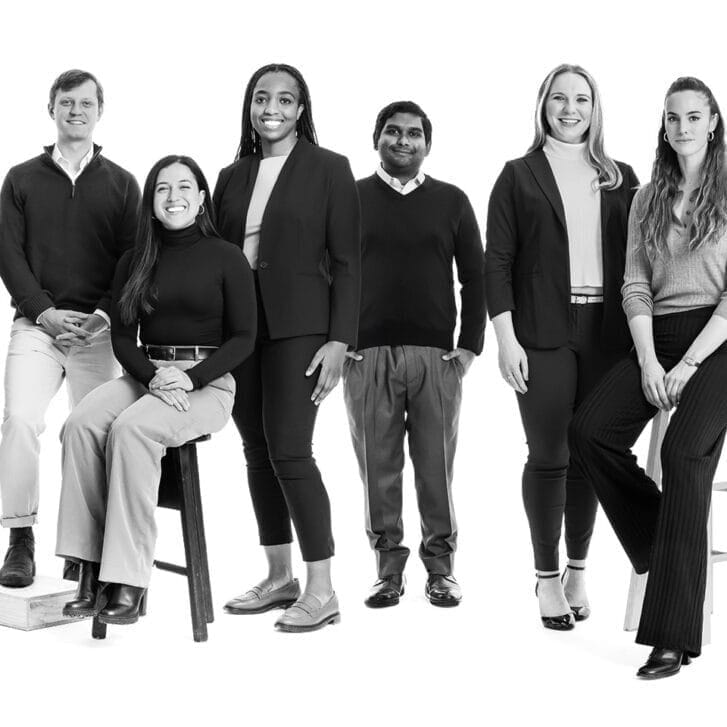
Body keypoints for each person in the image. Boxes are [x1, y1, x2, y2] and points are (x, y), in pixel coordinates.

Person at [570, 76, 727, 678]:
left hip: (717, 340)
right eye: (672, 118)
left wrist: (689, 365)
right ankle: (666, 548)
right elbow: (634, 284)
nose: (682, 127)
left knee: (686, 453)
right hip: (656, 335)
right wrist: (650, 361)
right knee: (589, 431)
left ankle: (671, 638)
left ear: (713, 121)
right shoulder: (646, 195)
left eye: (694, 116)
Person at [55, 155, 256, 625]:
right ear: (151, 203)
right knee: (81, 423)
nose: (174, 197)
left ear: (201, 198)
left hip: (206, 382)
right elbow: (124, 337)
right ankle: (87, 569)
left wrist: (190, 377)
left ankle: (128, 580)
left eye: (184, 187)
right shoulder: (135, 260)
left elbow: (245, 337)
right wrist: (151, 377)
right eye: (163, 189)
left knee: (132, 429)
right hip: (147, 373)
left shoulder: (226, 256)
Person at [485, 63, 639, 629]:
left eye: (581, 99)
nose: (570, 108)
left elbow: (642, 261)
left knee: (591, 451)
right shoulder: (519, 175)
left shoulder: (623, 177)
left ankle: (578, 568)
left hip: (609, 332)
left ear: (595, 108)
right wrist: (505, 340)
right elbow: (495, 263)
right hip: (542, 333)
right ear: (543, 105)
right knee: (549, 454)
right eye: (559, 98)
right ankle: (546, 578)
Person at [214, 63, 360, 632]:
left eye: (284, 99)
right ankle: (280, 578)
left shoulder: (329, 169)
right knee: (255, 450)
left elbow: (348, 262)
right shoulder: (231, 175)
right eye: (261, 97)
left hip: (301, 327)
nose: (271, 107)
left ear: (301, 109)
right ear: (249, 107)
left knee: (291, 451)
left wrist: (340, 341)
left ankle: (322, 588)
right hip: (239, 330)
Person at [0, 69, 140, 587]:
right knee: (19, 421)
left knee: (95, 432)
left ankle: (84, 549)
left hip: (98, 331)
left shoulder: (124, 183)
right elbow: (8, 254)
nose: (75, 111)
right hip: (37, 326)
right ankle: (20, 537)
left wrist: (103, 314)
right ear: (51, 109)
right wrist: (43, 311)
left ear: (99, 111)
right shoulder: (20, 178)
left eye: (85, 104)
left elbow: (132, 259)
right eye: (66, 103)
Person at [344, 101, 486, 608]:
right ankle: (388, 570)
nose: (403, 141)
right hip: (366, 357)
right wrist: (340, 344)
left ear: (427, 144)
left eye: (413, 134)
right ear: (376, 138)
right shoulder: (351, 199)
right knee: (377, 469)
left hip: (436, 360)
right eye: (392, 132)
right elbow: (327, 275)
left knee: (435, 468)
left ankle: (441, 571)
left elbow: (476, 275)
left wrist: (469, 347)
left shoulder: (451, 201)